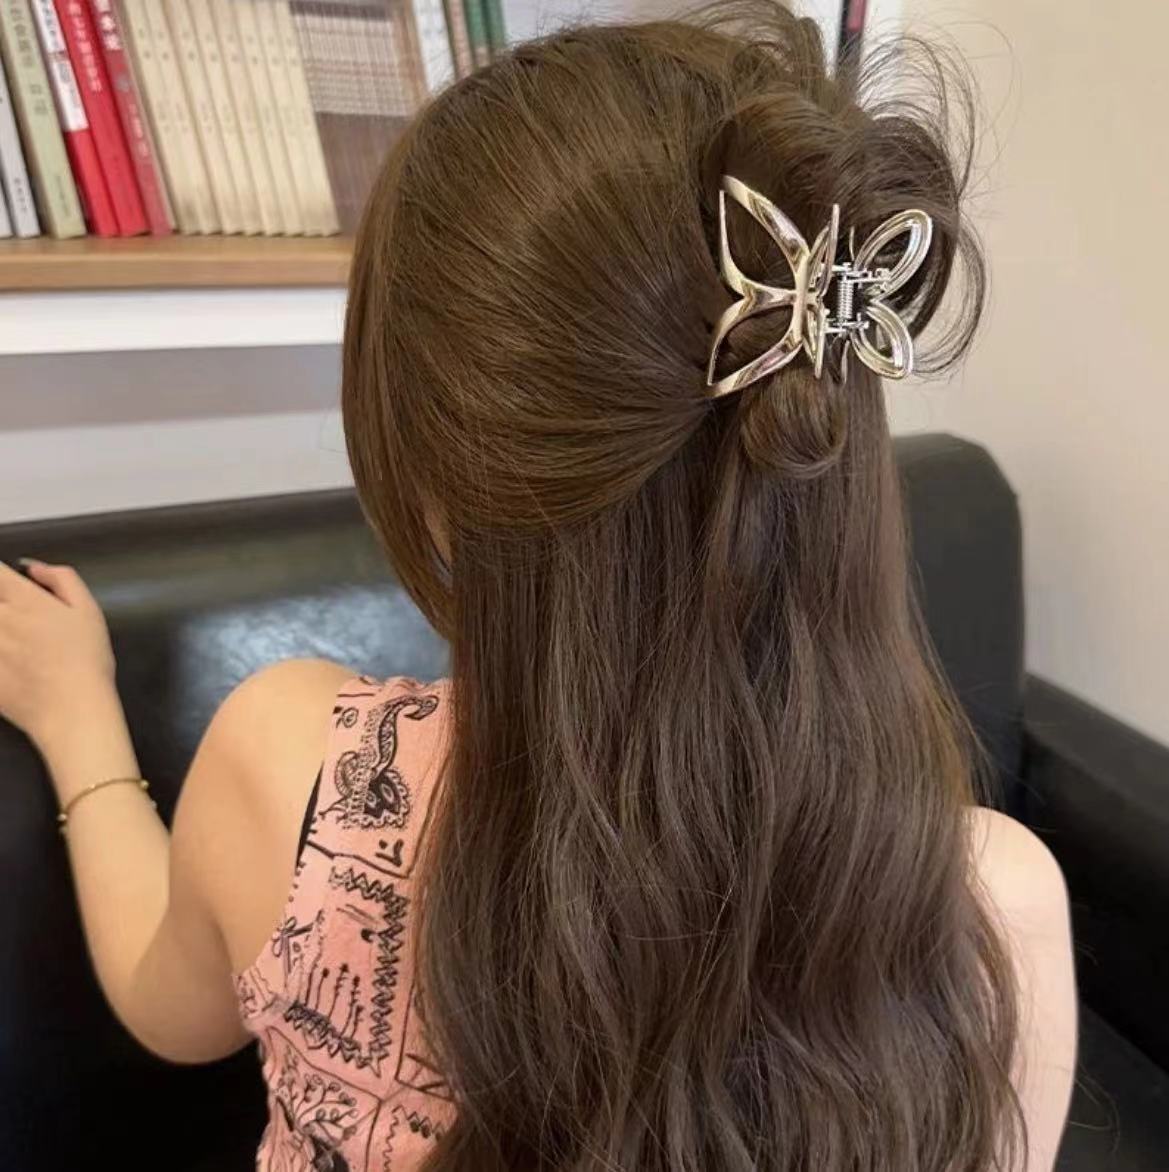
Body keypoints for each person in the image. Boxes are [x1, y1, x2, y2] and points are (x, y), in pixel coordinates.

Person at [0, 4, 1076, 1169]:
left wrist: (78, 722)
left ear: (426, 468)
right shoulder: (994, 913)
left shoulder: (296, 770)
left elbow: (168, 1009)